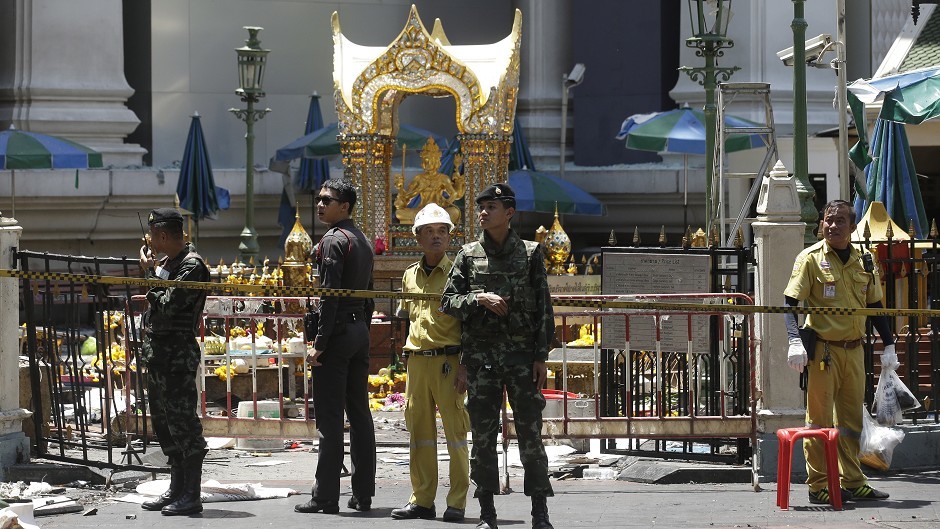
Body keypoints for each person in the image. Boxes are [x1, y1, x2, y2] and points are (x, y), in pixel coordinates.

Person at [442, 183, 556, 529]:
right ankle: (487, 514)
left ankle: (540, 513)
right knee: (484, 437)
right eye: (482, 206)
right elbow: (447, 301)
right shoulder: (467, 254)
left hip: (522, 360)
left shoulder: (532, 253)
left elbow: (544, 310)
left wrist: (540, 357)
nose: (483, 211)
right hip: (482, 361)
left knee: (531, 437)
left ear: (509, 212)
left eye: (492, 206)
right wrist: (478, 299)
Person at [784, 199, 897, 505]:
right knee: (819, 423)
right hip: (824, 352)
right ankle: (818, 485)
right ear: (821, 224)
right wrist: (794, 340)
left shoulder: (866, 259)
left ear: (852, 226)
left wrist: (888, 343)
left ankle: (853, 481)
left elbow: (874, 305)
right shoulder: (809, 258)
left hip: (855, 350)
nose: (832, 226)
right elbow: (788, 304)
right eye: (828, 221)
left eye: (840, 221)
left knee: (851, 422)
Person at [295, 178, 376, 515]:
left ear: (345, 206)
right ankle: (363, 494)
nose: (320, 205)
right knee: (360, 416)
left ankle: (325, 496)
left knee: (330, 421)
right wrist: (362, 331)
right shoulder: (363, 240)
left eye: (327, 200)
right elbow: (368, 296)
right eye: (319, 199)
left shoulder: (333, 241)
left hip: (338, 335)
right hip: (358, 331)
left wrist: (319, 344)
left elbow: (329, 299)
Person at [391, 203, 469, 522]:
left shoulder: (459, 275)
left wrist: (465, 366)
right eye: (429, 232)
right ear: (418, 238)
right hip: (418, 362)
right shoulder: (409, 275)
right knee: (419, 433)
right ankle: (422, 499)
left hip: (449, 362)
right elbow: (404, 317)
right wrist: (404, 353)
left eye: (442, 232)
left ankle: (457, 502)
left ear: (449, 238)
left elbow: (470, 324)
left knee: (455, 434)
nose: (436, 237)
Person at [137, 207, 209, 516]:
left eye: (153, 235)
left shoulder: (192, 267)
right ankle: (176, 487)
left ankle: (191, 494)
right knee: (164, 424)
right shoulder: (170, 264)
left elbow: (168, 305)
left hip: (177, 356)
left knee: (183, 424)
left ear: (163, 236)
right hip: (159, 355)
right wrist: (156, 271)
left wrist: (149, 274)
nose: (149, 240)